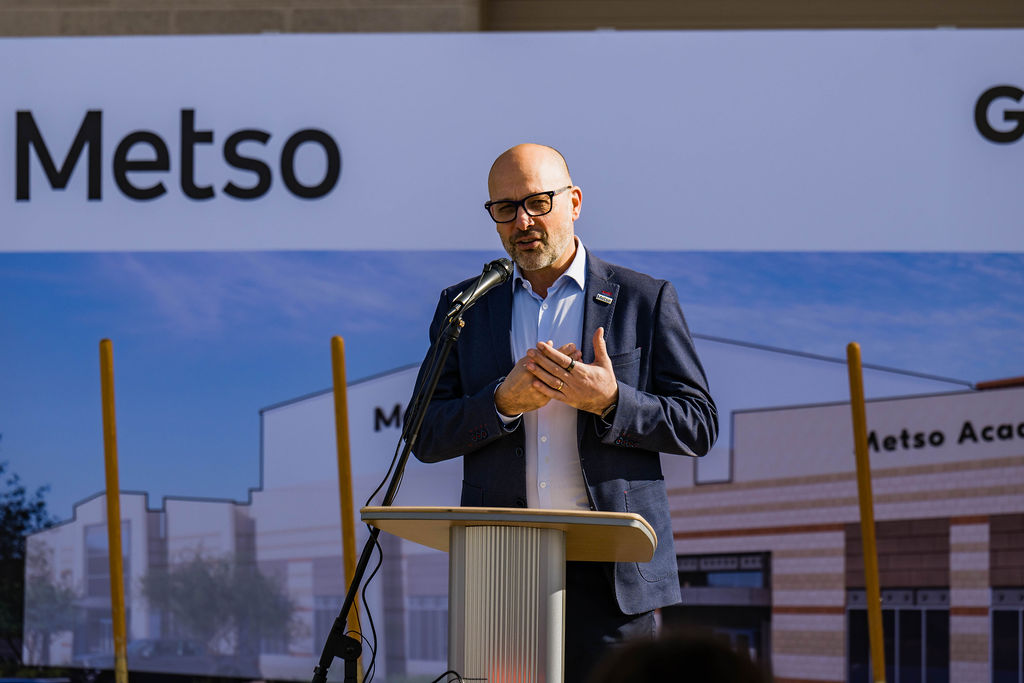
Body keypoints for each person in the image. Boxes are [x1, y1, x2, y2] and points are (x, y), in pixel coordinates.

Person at [411, 143, 718, 683]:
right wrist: (502, 404)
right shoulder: (465, 306)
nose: (522, 221)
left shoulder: (642, 300)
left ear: (574, 201)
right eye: (504, 209)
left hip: (614, 578)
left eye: (537, 202)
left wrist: (611, 401)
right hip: (502, 571)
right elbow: (422, 432)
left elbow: (698, 423)